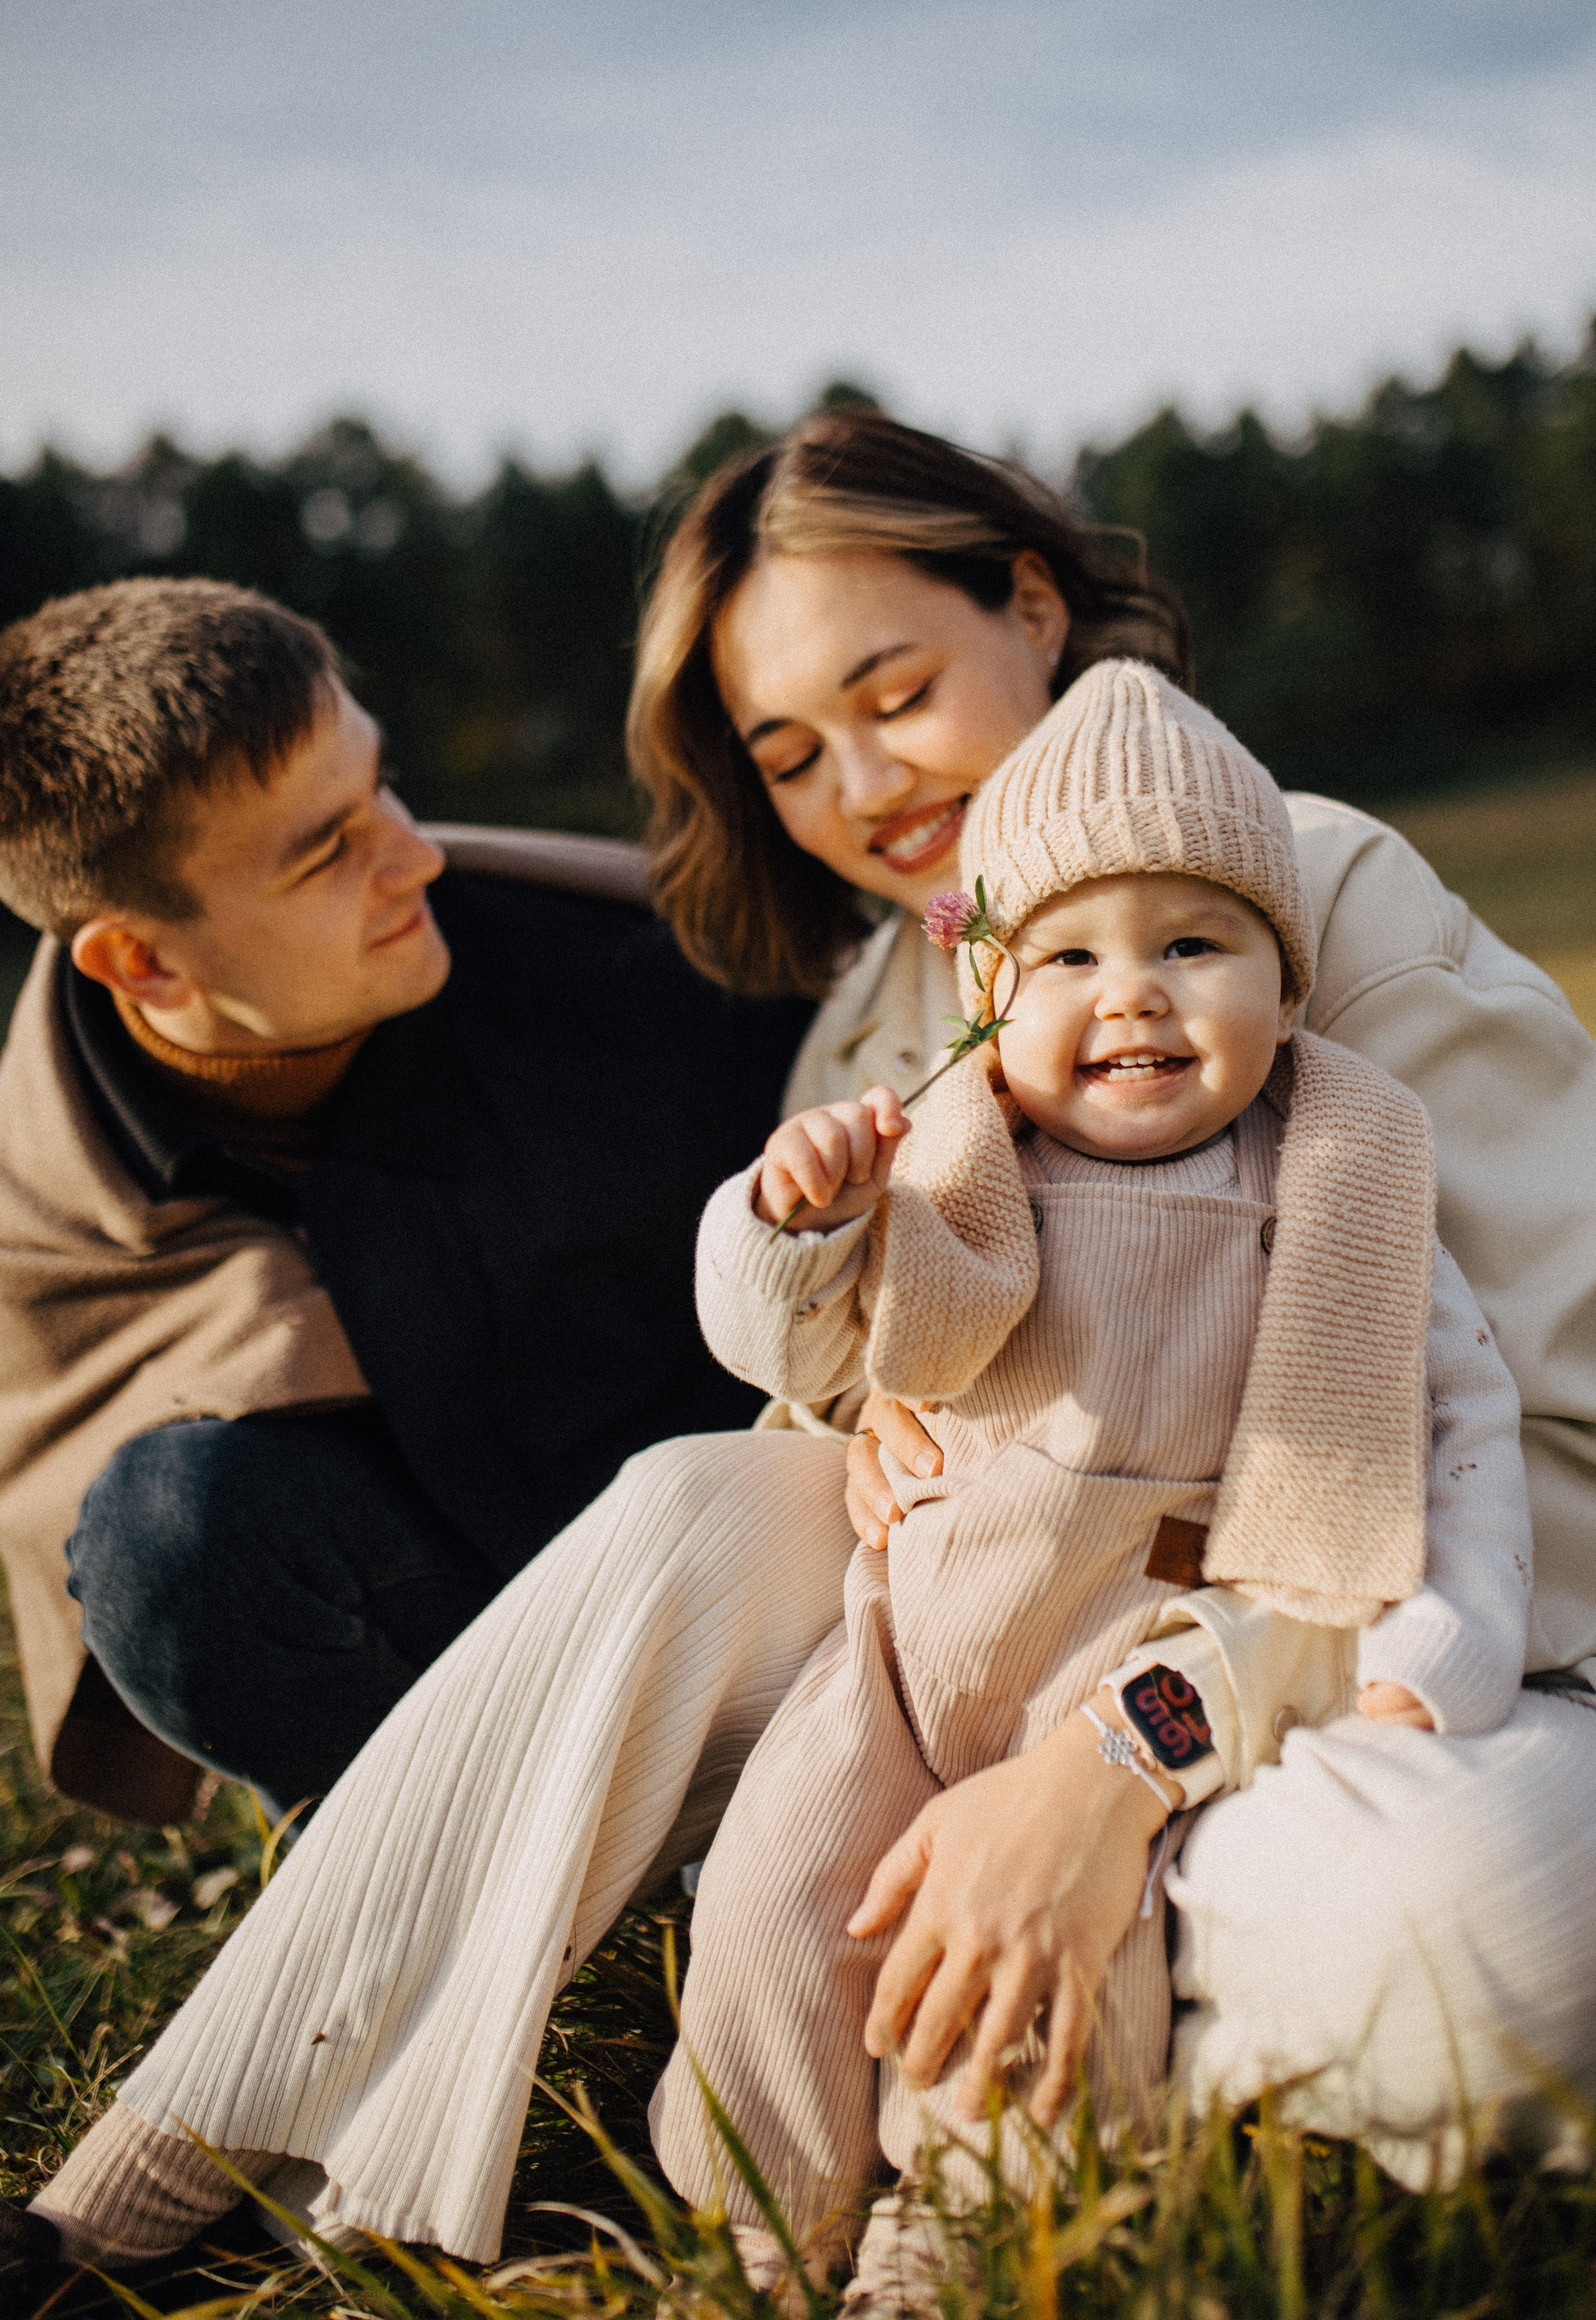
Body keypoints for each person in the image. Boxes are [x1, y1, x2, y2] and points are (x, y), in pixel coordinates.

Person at [9, 412, 1595, 2301]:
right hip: (982, 1690)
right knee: (697, 1500)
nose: (864, 784)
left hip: (1407, 1684)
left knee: (1493, 1930)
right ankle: (179, 2163)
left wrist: (1128, 1756)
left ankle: (1005, 2039)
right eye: (789, 754)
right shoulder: (873, 1031)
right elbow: (852, 1443)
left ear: (1030, 603)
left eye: (896, 689)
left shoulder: (1317, 897)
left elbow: (1554, 1465)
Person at [650, 661, 1531, 2289]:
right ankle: (752, 2239)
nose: (1131, 996)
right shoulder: (954, 1160)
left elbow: (1465, 1426)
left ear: (1286, 979)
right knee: (775, 1916)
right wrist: (797, 1217)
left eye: (1193, 945)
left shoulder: (1333, 1180)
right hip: (901, 1662)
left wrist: (1449, 1637)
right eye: (1067, 956)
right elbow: (780, 1334)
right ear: (991, 990)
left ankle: (952, 2241)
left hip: (1125, 1659)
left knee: (1040, 1991)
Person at [0, 577, 810, 1823]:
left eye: (376, 787)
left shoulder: (627, 981)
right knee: (168, 1536)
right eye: (328, 851)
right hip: (464, 1659)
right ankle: (446, 1858)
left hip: (761, 1594)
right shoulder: (55, 1188)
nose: (414, 853)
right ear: (140, 960)